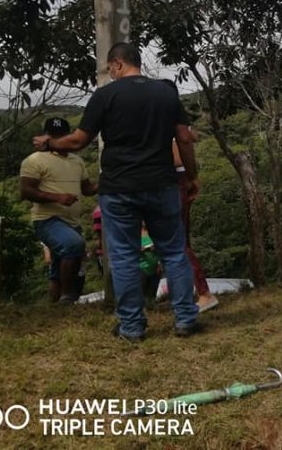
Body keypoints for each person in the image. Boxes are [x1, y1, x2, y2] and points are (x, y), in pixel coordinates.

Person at [32, 43, 200, 341]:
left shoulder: (105, 95)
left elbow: (78, 141)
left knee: (123, 256)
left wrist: (49, 143)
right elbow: (184, 138)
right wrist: (191, 175)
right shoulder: (165, 93)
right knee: (173, 252)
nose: (110, 73)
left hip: (119, 188)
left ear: (118, 64)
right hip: (161, 184)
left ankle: (132, 326)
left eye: (110, 68)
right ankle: (186, 319)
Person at [20, 117, 97, 303]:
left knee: (59, 267)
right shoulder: (34, 160)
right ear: (46, 137)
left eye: (61, 136)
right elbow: (26, 190)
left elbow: (87, 189)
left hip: (73, 221)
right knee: (73, 245)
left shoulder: (77, 161)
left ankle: (55, 305)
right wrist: (57, 198)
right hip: (47, 219)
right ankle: (68, 297)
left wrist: (109, 182)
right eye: (53, 136)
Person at [172, 135, 218, 312]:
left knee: (178, 242)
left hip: (174, 179)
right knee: (180, 241)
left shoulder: (162, 117)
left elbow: (178, 154)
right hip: (179, 178)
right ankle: (194, 292)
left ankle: (203, 293)